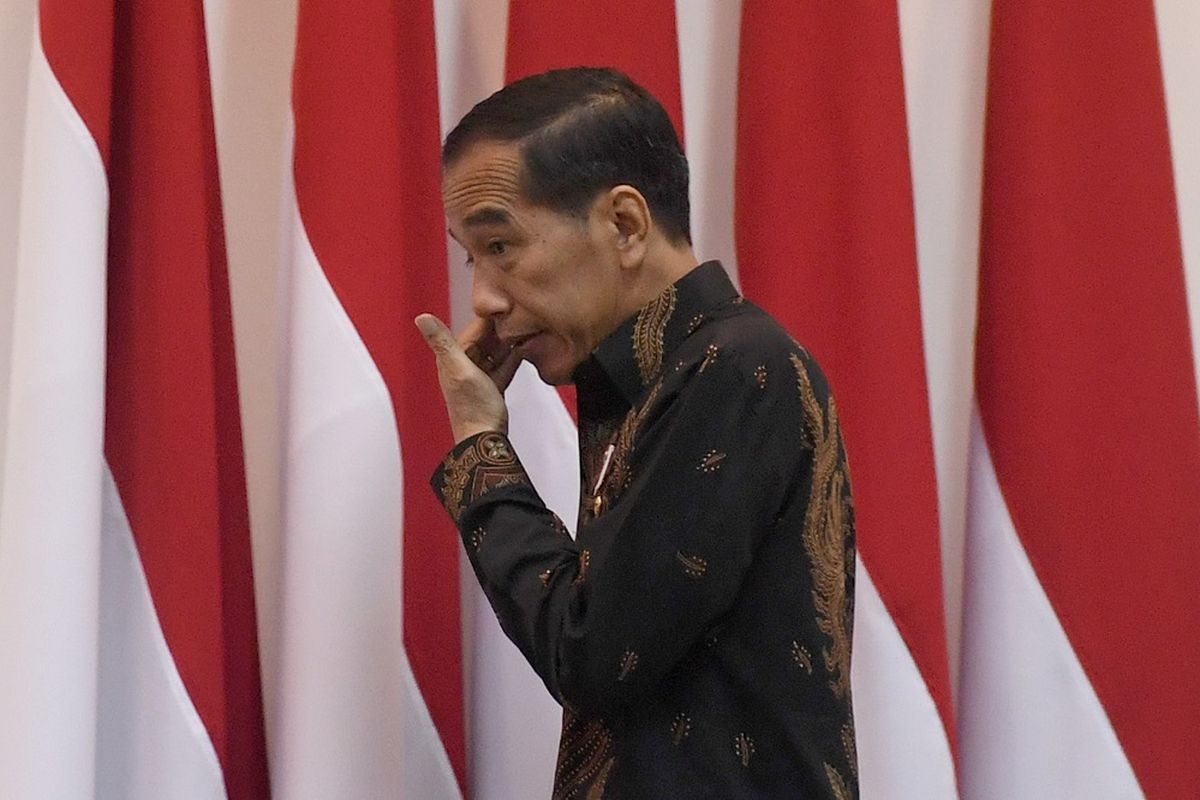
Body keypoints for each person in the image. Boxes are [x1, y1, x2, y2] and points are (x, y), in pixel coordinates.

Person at [416, 67, 857, 799]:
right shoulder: (653, 379)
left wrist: (480, 449)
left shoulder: (736, 367)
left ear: (624, 224)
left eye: (502, 247)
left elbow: (590, 655)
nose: (483, 299)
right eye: (472, 255)